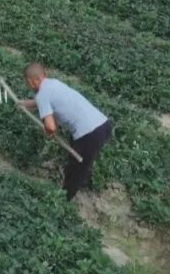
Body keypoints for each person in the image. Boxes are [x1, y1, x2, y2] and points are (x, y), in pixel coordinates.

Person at [21, 62, 113, 201]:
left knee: (75, 170)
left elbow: (51, 126)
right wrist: (24, 104)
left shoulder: (42, 95)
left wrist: (49, 131)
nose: (28, 85)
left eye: (27, 83)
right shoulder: (53, 83)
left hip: (89, 133)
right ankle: (83, 179)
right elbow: (46, 102)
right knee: (79, 158)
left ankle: (63, 201)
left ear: (31, 81)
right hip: (103, 124)